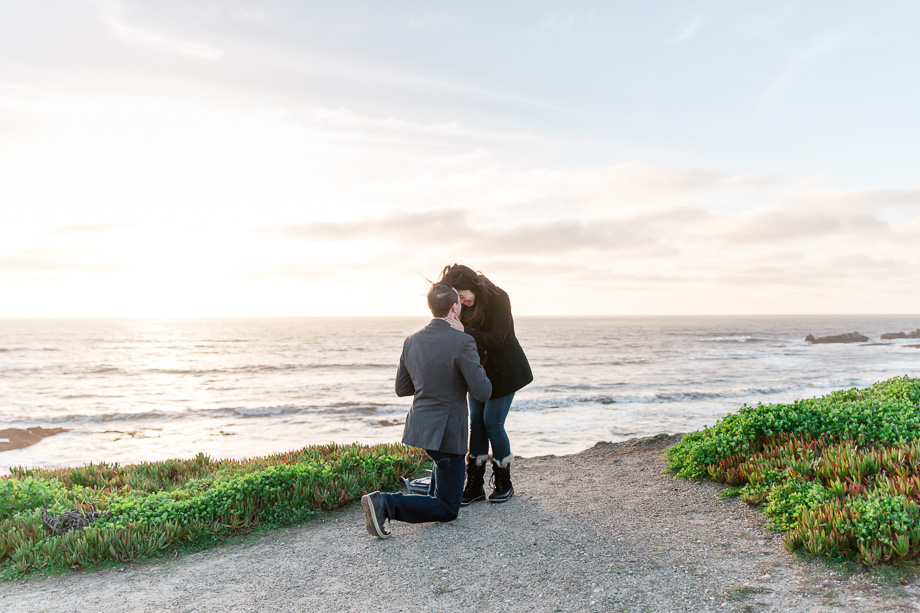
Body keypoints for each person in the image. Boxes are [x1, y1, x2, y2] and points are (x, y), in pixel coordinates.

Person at [361, 284, 492, 539]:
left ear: (431, 307)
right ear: (455, 308)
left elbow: (402, 388)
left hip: (421, 427)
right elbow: (483, 391)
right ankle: (385, 504)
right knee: (447, 508)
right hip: (448, 434)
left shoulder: (412, 340)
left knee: (440, 475)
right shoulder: (463, 341)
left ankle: (406, 501)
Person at [436, 264, 533, 505]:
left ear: (473, 286)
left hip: (506, 370)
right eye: (455, 298)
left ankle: (504, 483)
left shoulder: (499, 297)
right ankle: (475, 485)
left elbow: (499, 339)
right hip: (478, 372)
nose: (460, 302)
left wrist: (464, 330)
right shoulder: (457, 305)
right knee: (476, 424)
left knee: (493, 423)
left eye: (462, 295)